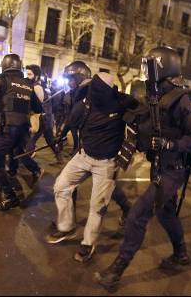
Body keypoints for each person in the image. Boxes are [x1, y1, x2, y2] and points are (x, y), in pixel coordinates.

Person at [95, 46, 191, 291]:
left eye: (148, 66)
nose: (144, 72)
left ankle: (117, 270)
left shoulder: (182, 98)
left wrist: (172, 144)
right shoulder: (154, 97)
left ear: (161, 67)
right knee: (166, 214)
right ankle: (180, 253)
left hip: (173, 170)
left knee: (137, 216)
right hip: (158, 167)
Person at [46, 72, 138, 263]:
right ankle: (66, 227)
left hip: (107, 163)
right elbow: (72, 121)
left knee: (97, 207)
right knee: (61, 187)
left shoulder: (122, 103)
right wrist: (60, 135)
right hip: (83, 156)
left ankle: (88, 243)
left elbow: (142, 111)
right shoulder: (85, 102)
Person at [0, 54, 43, 211]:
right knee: (7, 158)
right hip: (23, 131)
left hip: (6, 130)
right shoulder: (28, 84)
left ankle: (11, 196)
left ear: (4, 65)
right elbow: (38, 108)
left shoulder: (1, 79)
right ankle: (7, 181)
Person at [24, 64, 63, 166]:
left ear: (36, 76)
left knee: (31, 141)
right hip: (46, 118)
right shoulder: (43, 86)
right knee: (49, 140)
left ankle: (30, 165)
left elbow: (34, 106)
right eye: (26, 74)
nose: (27, 76)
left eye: (29, 74)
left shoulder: (37, 87)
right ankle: (59, 157)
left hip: (42, 119)